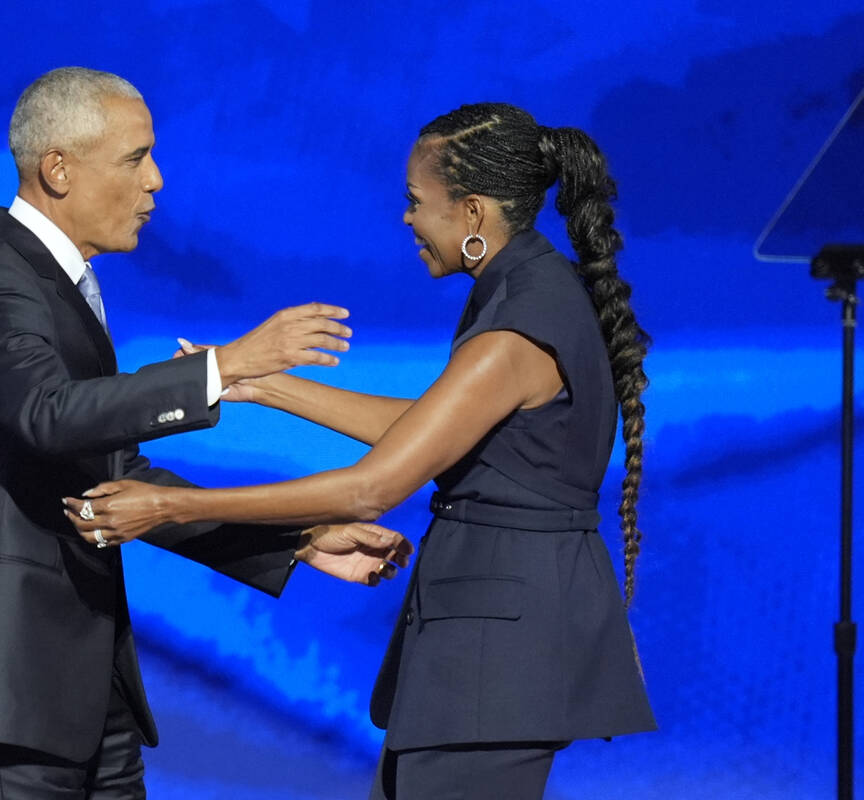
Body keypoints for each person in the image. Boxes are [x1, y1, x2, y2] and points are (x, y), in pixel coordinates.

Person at [64, 102, 658, 799]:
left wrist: (169, 503)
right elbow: (440, 424)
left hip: (497, 660)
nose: (407, 219)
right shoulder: (526, 291)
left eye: (416, 202)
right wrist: (269, 387)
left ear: (472, 214)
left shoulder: (519, 324)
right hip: (489, 653)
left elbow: (371, 489)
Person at [0, 66, 412, 800]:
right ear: (57, 169)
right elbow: (51, 413)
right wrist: (223, 369)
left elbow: (117, 477)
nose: (156, 180)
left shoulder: (54, 287)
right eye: (135, 159)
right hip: (2, 689)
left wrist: (296, 539)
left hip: (83, 691)